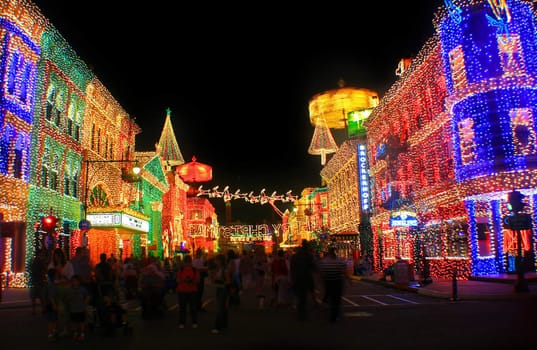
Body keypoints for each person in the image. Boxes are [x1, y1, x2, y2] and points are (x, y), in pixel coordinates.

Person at [318, 247, 351, 323]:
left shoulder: (324, 261)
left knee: (332, 299)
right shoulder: (339, 261)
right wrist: (349, 279)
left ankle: (333, 315)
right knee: (336, 300)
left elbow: (322, 273)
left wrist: (321, 281)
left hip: (328, 282)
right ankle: (335, 315)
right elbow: (344, 271)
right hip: (337, 282)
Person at [290, 240, 317, 321]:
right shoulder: (308, 256)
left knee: (300, 296)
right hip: (305, 278)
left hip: (297, 278)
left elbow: (292, 269)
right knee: (303, 297)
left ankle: (301, 313)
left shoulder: (294, 256)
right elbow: (313, 267)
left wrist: (292, 278)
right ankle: (302, 314)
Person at [175, 254, 200, 329]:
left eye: (189, 262)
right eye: (186, 262)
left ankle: (194, 322)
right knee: (183, 308)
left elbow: (198, 280)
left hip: (192, 291)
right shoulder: (181, 270)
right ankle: (182, 322)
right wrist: (185, 280)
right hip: (182, 291)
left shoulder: (194, 270)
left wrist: (191, 281)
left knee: (193, 307)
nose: (188, 263)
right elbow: (177, 280)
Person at [211, 253, 231, 334]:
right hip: (219, 288)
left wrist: (220, 282)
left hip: (223, 289)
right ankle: (224, 324)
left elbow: (228, 281)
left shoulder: (225, 269)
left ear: (220, 261)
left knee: (220, 308)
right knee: (222, 308)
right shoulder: (218, 268)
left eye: (216, 260)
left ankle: (217, 326)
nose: (215, 261)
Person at [66, 274, 90, 342]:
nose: (75, 282)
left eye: (76, 281)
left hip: (81, 308)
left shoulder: (82, 289)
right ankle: (76, 333)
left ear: (79, 281)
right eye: (73, 281)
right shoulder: (70, 289)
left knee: (81, 322)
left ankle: (82, 334)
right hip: (73, 308)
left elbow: (88, 296)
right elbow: (67, 298)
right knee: (74, 322)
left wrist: (85, 303)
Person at [29, 249, 48, 315]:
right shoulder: (41, 260)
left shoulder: (34, 260)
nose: (43, 254)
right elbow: (44, 269)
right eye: (42, 253)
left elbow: (31, 269)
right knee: (41, 296)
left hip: (35, 280)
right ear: (40, 253)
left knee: (34, 296)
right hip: (39, 280)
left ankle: (34, 310)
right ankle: (43, 309)